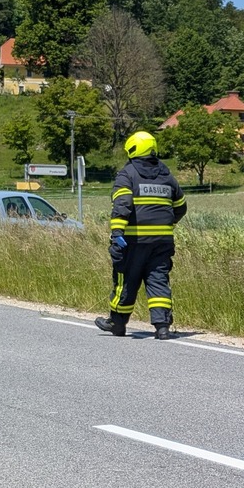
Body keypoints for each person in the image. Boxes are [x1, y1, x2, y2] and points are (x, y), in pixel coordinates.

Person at [97, 130, 186, 339]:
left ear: (133, 150)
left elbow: (123, 204)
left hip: (133, 240)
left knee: (126, 280)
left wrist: (116, 233)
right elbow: (181, 207)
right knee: (158, 280)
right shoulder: (168, 177)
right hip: (162, 242)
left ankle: (117, 324)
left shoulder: (127, 174)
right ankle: (162, 327)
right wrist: (168, 224)